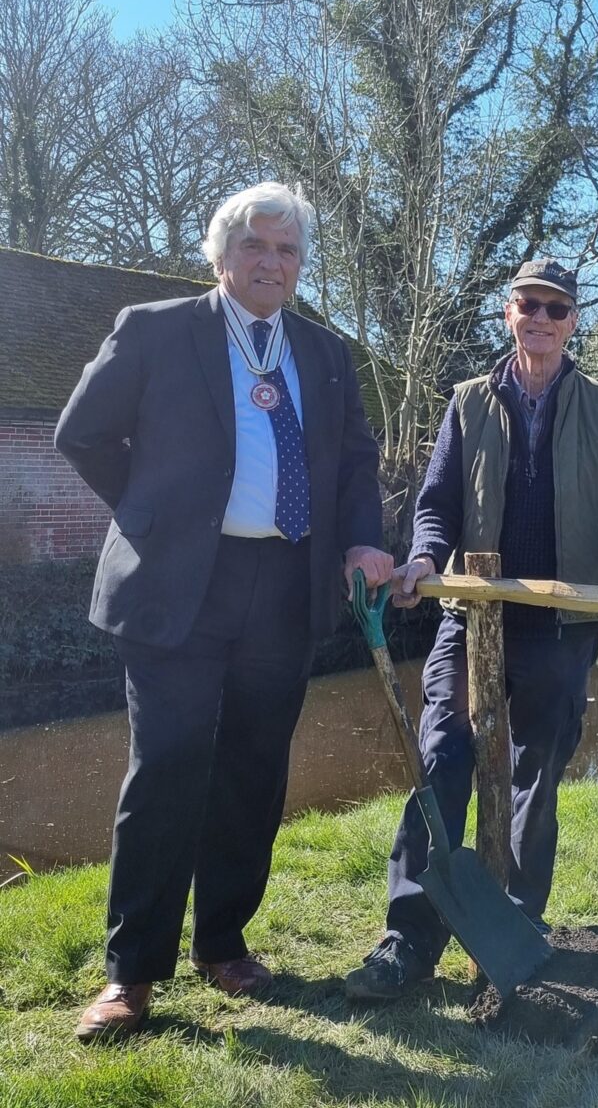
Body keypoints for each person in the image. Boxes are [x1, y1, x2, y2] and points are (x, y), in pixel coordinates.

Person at [56, 182, 393, 1043]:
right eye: (255, 246)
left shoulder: (323, 352)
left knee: (254, 769)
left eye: (287, 251)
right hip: (180, 590)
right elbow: (80, 432)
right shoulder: (156, 329)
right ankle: (131, 976)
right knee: (166, 766)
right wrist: (153, 517)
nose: (271, 263)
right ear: (220, 255)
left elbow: (356, 459)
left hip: (284, 585)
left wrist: (362, 540)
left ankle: (224, 944)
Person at [345, 257, 598, 1000]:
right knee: (441, 759)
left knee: (538, 774)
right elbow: (437, 500)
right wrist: (421, 558)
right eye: (527, 304)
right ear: (508, 314)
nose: (540, 317)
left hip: (562, 624)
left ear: (573, 323)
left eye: (556, 308)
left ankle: (517, 926)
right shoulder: (468, 401)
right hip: (471, 614)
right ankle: (406, 941)